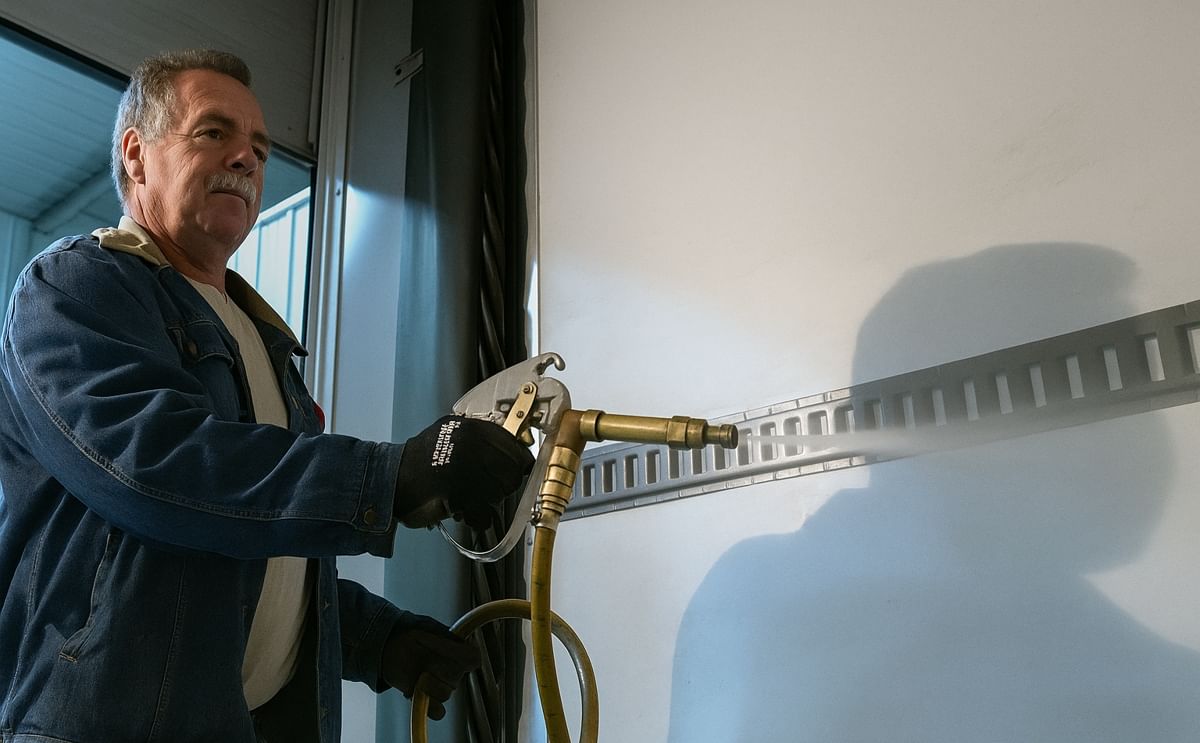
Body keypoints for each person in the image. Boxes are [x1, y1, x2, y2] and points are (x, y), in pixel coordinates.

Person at [0, 49, 533, 742]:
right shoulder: (73, 288)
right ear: (137, 154)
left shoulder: (260, 336)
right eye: (213, 132)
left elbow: (253, 563)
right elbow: (155, 465)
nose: (247, 159)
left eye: (257, 145)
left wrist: (379, 639)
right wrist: (386, 473)